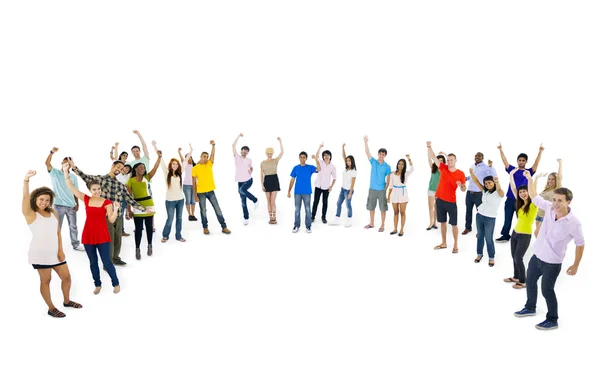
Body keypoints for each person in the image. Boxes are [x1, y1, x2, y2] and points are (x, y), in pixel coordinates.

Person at [513, 171, 584, 330]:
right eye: (554, 199)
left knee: (547, 290)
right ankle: (530, 308)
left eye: (560, 200)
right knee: (530, 283)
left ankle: (552, 319)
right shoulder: (549, 209)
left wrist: (576, 265)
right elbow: (534, 196)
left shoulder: (574, 223)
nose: (555, 203)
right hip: (536, 257)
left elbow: (580, 243)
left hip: (552, 263)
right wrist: (531, 179)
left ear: (569, 202)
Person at [22, 170, 82, 318]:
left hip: (55, 253)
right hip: (40, 254)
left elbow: (58, 233)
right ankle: (51, 308)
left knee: (67, 278)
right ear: (35, 199)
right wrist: (26, 180)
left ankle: (67, 301)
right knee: (46, 281)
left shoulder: (53, 212)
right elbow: (24, 197)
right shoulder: (30, 214)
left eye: (47, 200)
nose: (44, 202)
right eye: (41, 199)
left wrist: (61, 250)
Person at [69, 159, 150, 266]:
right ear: (113, 166)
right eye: (118, 167)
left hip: (119, 215)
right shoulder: (100, 180)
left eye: (122, 169)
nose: (120, 170)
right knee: (109, 240)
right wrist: (74, 167)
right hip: (107, 216)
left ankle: (115, 258)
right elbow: (85, 177)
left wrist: (144, 209)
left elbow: (130, 200)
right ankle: (108, 263)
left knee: (118, 240)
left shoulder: (121, 185)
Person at [63, 165, 121, 295]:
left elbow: (111, 220)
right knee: (93, 262)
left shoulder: (107, 202)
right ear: (90, 190)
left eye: (99, 189)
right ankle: (97, 284)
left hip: (102, 235)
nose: (97, 191)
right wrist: (66, 172)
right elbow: (71, 188)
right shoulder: (86, 199)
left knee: (107, 261)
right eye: (94, 189)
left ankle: (115, 283)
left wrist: (116, 209)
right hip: (88, 235)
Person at [496, 143, 543, 242]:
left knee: (522, 219)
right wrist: (500, 150)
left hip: (522, 201)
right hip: (510, 199)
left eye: (523, 160)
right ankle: (505, 235)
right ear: (517, 161)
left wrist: (540, 152)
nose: (521, 162)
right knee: (507, 219)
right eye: (520, 160)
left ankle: (522, 236)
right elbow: (505, 161)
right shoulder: (513, 170)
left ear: (526, 162)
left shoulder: (529, 171)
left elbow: (536, 164)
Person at [427, 141, 466, 253]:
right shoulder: (443, 167)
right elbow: (433, 157)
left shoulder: (460, 173)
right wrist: (429, 147)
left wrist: (461, 185)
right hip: (440, 201)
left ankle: (455, 244)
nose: (449, 162)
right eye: (448, 160)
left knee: (454, 224)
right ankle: (443, 243)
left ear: (455, 160)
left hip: (451, 202)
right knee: (442, 223)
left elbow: (464, 189)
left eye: (451, 160)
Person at [45, 147, 85, 251]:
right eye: (64, 161)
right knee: (57, 227)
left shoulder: (73, 177)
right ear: (62, 163)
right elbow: (47, 163)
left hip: (71, 205)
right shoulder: (55, 173)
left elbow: (75, 191)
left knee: (73, 226)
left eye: (68, 162)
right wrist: (51, 152)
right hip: (58, 206)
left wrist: (77, 203)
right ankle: (54, 246)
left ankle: (75, 244)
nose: (66, 163)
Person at [504, 168, 538, 287]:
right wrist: (511, 175)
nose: (522, 193)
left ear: (528, 192)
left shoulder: (533, 205)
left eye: (525, 191)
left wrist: (530, 178)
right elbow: (513, 188)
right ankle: (516, 276)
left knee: (519, 258)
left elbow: (534, 193)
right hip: (515, 233)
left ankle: (523, 281)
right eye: (521, 192)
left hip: (525, 235)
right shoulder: (519, 203)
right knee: (514, 256)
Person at [154, 141, 191, 243]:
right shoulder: (167, 173)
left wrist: (191, 150)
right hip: (170, 201)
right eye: (173, 164)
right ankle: (165, 235)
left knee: (179, 218)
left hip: (180, 200)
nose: (175, 165)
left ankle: (178, 236)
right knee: (170, 218)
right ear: (170, 165)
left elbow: (185, 162)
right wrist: (155, 147)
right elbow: (161, 162)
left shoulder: (179, 174)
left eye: (176, 164)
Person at [192, 140, 231, 235]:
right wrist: (195, 195)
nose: (206, 158)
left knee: (217, 209)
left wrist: (213, 145)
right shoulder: (195, 168)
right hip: (201, 193)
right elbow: (193, 183)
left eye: (207, 157)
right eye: (204, 156)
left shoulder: (209, 164)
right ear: (200, 157)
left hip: (211, 191)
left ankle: (224, 227)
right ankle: (205, 227)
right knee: (203, 211)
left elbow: (213, 155)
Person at [127, 153, 161, 259]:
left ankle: (149, 245)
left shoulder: (147, 177)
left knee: (149, 227)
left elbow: (155, 168)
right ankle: (137, 249)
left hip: (149, 205)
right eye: (140, 167)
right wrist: (129, 210)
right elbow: (128, 197)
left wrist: (159, 158)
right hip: (137, 206)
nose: (142, 169)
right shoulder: (130, 181)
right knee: (138, 229)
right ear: (135, 168)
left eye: (144, 167)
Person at [469, 169, 504, 267]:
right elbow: (476, 182)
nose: (488, 185)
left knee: (488, 238)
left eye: (489, 183)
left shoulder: (498, 193)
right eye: (486, 183)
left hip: (490, 218)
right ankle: (479, 254)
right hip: (479, 215)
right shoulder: (485, 191)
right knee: (480, 236)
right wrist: (472, 173)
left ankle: (491, 257)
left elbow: (500, 190)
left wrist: (497, 182)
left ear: (493, 182)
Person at [463, 152, 497, 235]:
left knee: (481, 213)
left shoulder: (486, 167)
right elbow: (472, 176)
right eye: (475, 156)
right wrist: (465, 178)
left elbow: (494, 176)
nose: (477, 157)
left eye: (479, 156)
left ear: (482, 158)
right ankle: (468, 228)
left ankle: (480, 231)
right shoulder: (473, 166)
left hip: (479, 194)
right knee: (468, 211)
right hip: (469, 193)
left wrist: (491, 166)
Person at [288, 151, 321, 233]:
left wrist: (316, 159)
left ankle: (308, 226)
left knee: (308, 209)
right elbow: (292, 180)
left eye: (304, 157)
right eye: (301, 157)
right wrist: (289, 191)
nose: (302, 159)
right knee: (297, 209)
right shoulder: (296, 168)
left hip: (307, 192)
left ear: (306, 158)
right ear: (299, 158)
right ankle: (296, 225)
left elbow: (319, 169)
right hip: (297, 193)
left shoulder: (310, 167)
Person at [363, 135, 391, 232]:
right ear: (378, 154)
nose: (381, 155)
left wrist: (385, 190)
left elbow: (388, 180)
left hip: (381, 190)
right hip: (372, 189)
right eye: (380, 154)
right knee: (371, 207)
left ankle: (382, 225)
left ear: (385, 155)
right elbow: (367, 153)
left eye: (383, 154)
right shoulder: (373, 162)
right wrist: (366, 142)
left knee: (383, 208)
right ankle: (371, 223)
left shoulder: (387, 166)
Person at [232, 133, 258, 225]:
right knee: (243, 200)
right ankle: (246, 217)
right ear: (241, 150)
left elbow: (251, 167)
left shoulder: (249, 160)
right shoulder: (237, 157)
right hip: (240, 181)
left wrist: (251, 170)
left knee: (241, 190)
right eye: (244, 150)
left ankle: (255, 200)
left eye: (247, 151)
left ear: (248, 152)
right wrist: (238, 136)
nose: (245, 152)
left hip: (248, 180)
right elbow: (233, 145)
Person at [534, 159, 563, 237]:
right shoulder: (545, 190)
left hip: (546, 216)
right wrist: (536, 178)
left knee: (537, 234)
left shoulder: (557, 190)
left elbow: (560, 177)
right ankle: (542, 248)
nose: (550, 181)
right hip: (538, 215)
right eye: (549, 179)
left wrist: (560, 163)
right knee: (539, 236)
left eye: (553, 179)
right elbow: (533, 193)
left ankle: (545, 248)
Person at [330, 143, 356, 227]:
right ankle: (337, 219)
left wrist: (350, 193)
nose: (348, 161)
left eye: (349, 160)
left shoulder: (353, 170)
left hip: (349, 190)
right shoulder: (346, 168)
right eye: (347, 160)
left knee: (348, 205)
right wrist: (342, 147)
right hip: (343, 189)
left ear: (352, 161)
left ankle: (349, 220)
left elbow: (353, 183)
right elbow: (343, 156)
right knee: (338, 203)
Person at [387, 155, 414, 236]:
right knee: (395, 212)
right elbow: (390, 186)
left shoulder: (406, 173)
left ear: (404, 165)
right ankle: (395, 229)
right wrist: (388, 197)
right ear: (397, 164)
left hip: (403, 194)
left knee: (402, 212)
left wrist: (409, 159)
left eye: (402, 164)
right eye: (399, 164)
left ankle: (401, 229)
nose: (400, 165)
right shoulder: (392, 174)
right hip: (394, 193)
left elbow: (412, 168)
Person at [311, 143, 337, 224]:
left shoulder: (332, 167)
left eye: (328, 155)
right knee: (316, 202)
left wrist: (331, 186)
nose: (326, 156)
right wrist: (319, 147)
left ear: (330, 157)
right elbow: (316, 155)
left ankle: (323, 217)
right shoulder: (320, 163)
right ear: (323, 157)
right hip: (318, 186)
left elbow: (335, 178)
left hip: (326, 188)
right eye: (324, 155)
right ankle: (312, 216)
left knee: (325, 203)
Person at [260, 137, 284, 224]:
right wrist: (262, 185)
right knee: (268, 201)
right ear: (266, 153)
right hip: (267, 180)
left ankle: (274, 216)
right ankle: (270, 217)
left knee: (273, 201)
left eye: (271, 153)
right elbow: (261, 175)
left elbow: (282, 153)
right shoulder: (262, 163)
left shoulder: (275, 160)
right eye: (268, 153)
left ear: (272, 153)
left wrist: (280, 142)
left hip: (274, 180)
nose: (270, 154)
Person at [426, 153, 446, 230]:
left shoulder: (444, 169)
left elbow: (451, 161)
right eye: (438, 160)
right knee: (430, 207)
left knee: (436, 207)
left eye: (442, 160)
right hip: (431, 189)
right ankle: (431, 223)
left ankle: (434, 222)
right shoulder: (433, 168)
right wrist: (428, 149)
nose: (440, 161)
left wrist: (444, 153)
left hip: (440, 191)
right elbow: (429, 159)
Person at [178, 145, 198, 221]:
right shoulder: (185, 165)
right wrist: (179, 152)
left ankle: (193, 214)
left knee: (193, 201)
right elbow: (182, 159)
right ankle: (189, 214)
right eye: (187, 157)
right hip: (186, 186)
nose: (189, 158)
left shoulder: (195, 166)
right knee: (188, 200)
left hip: (194, 186)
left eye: (190, 156)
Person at [116, 164, 132, 236]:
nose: (126, 170)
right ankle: (116, 230)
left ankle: (121, 231)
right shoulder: (117, 175)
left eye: (128, 170)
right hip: (116, 197)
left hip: (124, 197)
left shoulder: (127, 177)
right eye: (126, 168)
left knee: (121, 214)